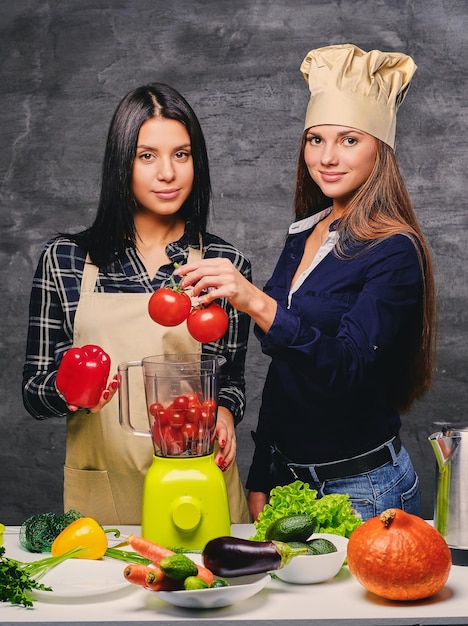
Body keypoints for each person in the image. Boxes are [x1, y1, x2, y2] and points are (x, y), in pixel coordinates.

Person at [175, 44, 436, 522]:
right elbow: (287, 370)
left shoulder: (395, 250)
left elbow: (346, 367)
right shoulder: (306, 232)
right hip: (289, 482)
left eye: (349, 140)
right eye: (315, 139)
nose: (328, 157)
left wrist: (253, 299)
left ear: (381, 148)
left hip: (363, 490)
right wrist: (263, 473)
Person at [22, 82, 252, 525]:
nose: (167, 173)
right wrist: (69, 392)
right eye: (147, 155)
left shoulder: (224, 264)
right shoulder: (66, 259)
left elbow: (231, 380)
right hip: (103, 492)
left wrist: (224, 411)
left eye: (181, 154)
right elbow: (34, 391)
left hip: (198, 483)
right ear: (121, 163)